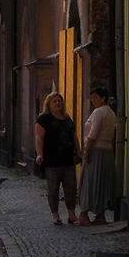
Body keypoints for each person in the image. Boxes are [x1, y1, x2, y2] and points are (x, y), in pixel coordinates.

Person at [34, 91, 82, 225]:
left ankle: (71, 214)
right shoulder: (43, 119)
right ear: (48, 104)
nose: (58, 103)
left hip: (67, 159)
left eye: (60, 101)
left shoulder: (67, 118)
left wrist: (79, 152)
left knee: (71, 188)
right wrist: (39, 154)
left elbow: (74, 136)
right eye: (55, 101)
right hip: (51, 160)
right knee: (53, 189)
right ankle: (55, 215)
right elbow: (38, 137)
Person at [75, 85, 118, 226]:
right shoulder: (111, 113)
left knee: (89, 182)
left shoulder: (99, 112)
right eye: (91, 97)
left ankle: (84, 215)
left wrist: (86, 151)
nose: (92, 100)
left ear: (103, 98)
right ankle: (100, 215)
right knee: (102, 183)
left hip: (96, 151)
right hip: (107, 151)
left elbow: (92, 134)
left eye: (95, 97)